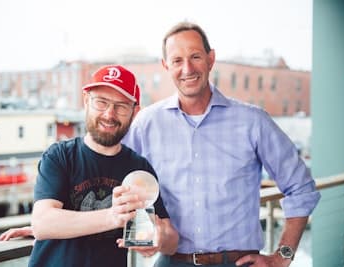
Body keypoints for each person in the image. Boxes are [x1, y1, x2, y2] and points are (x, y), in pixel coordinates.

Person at [122, 21, 321, 267]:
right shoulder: (146, 123)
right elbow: (123, 181)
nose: (187, 68)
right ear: (166, 66)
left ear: (210, 58)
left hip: (238, 262)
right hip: (173, 261)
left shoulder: (252, 121)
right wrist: (140, 234)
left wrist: (283, 257)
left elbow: (301, 187)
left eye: (195, 56)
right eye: (177, 60)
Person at [26, 65, 178, 267]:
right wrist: (112, 216)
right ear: (86, 101)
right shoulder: (59, 156)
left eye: (121, 106)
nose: (109, 114)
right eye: (101, 102)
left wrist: (159, 238)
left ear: (135, 112)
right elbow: (42, 223)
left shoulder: (139, 169)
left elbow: (171, 240)